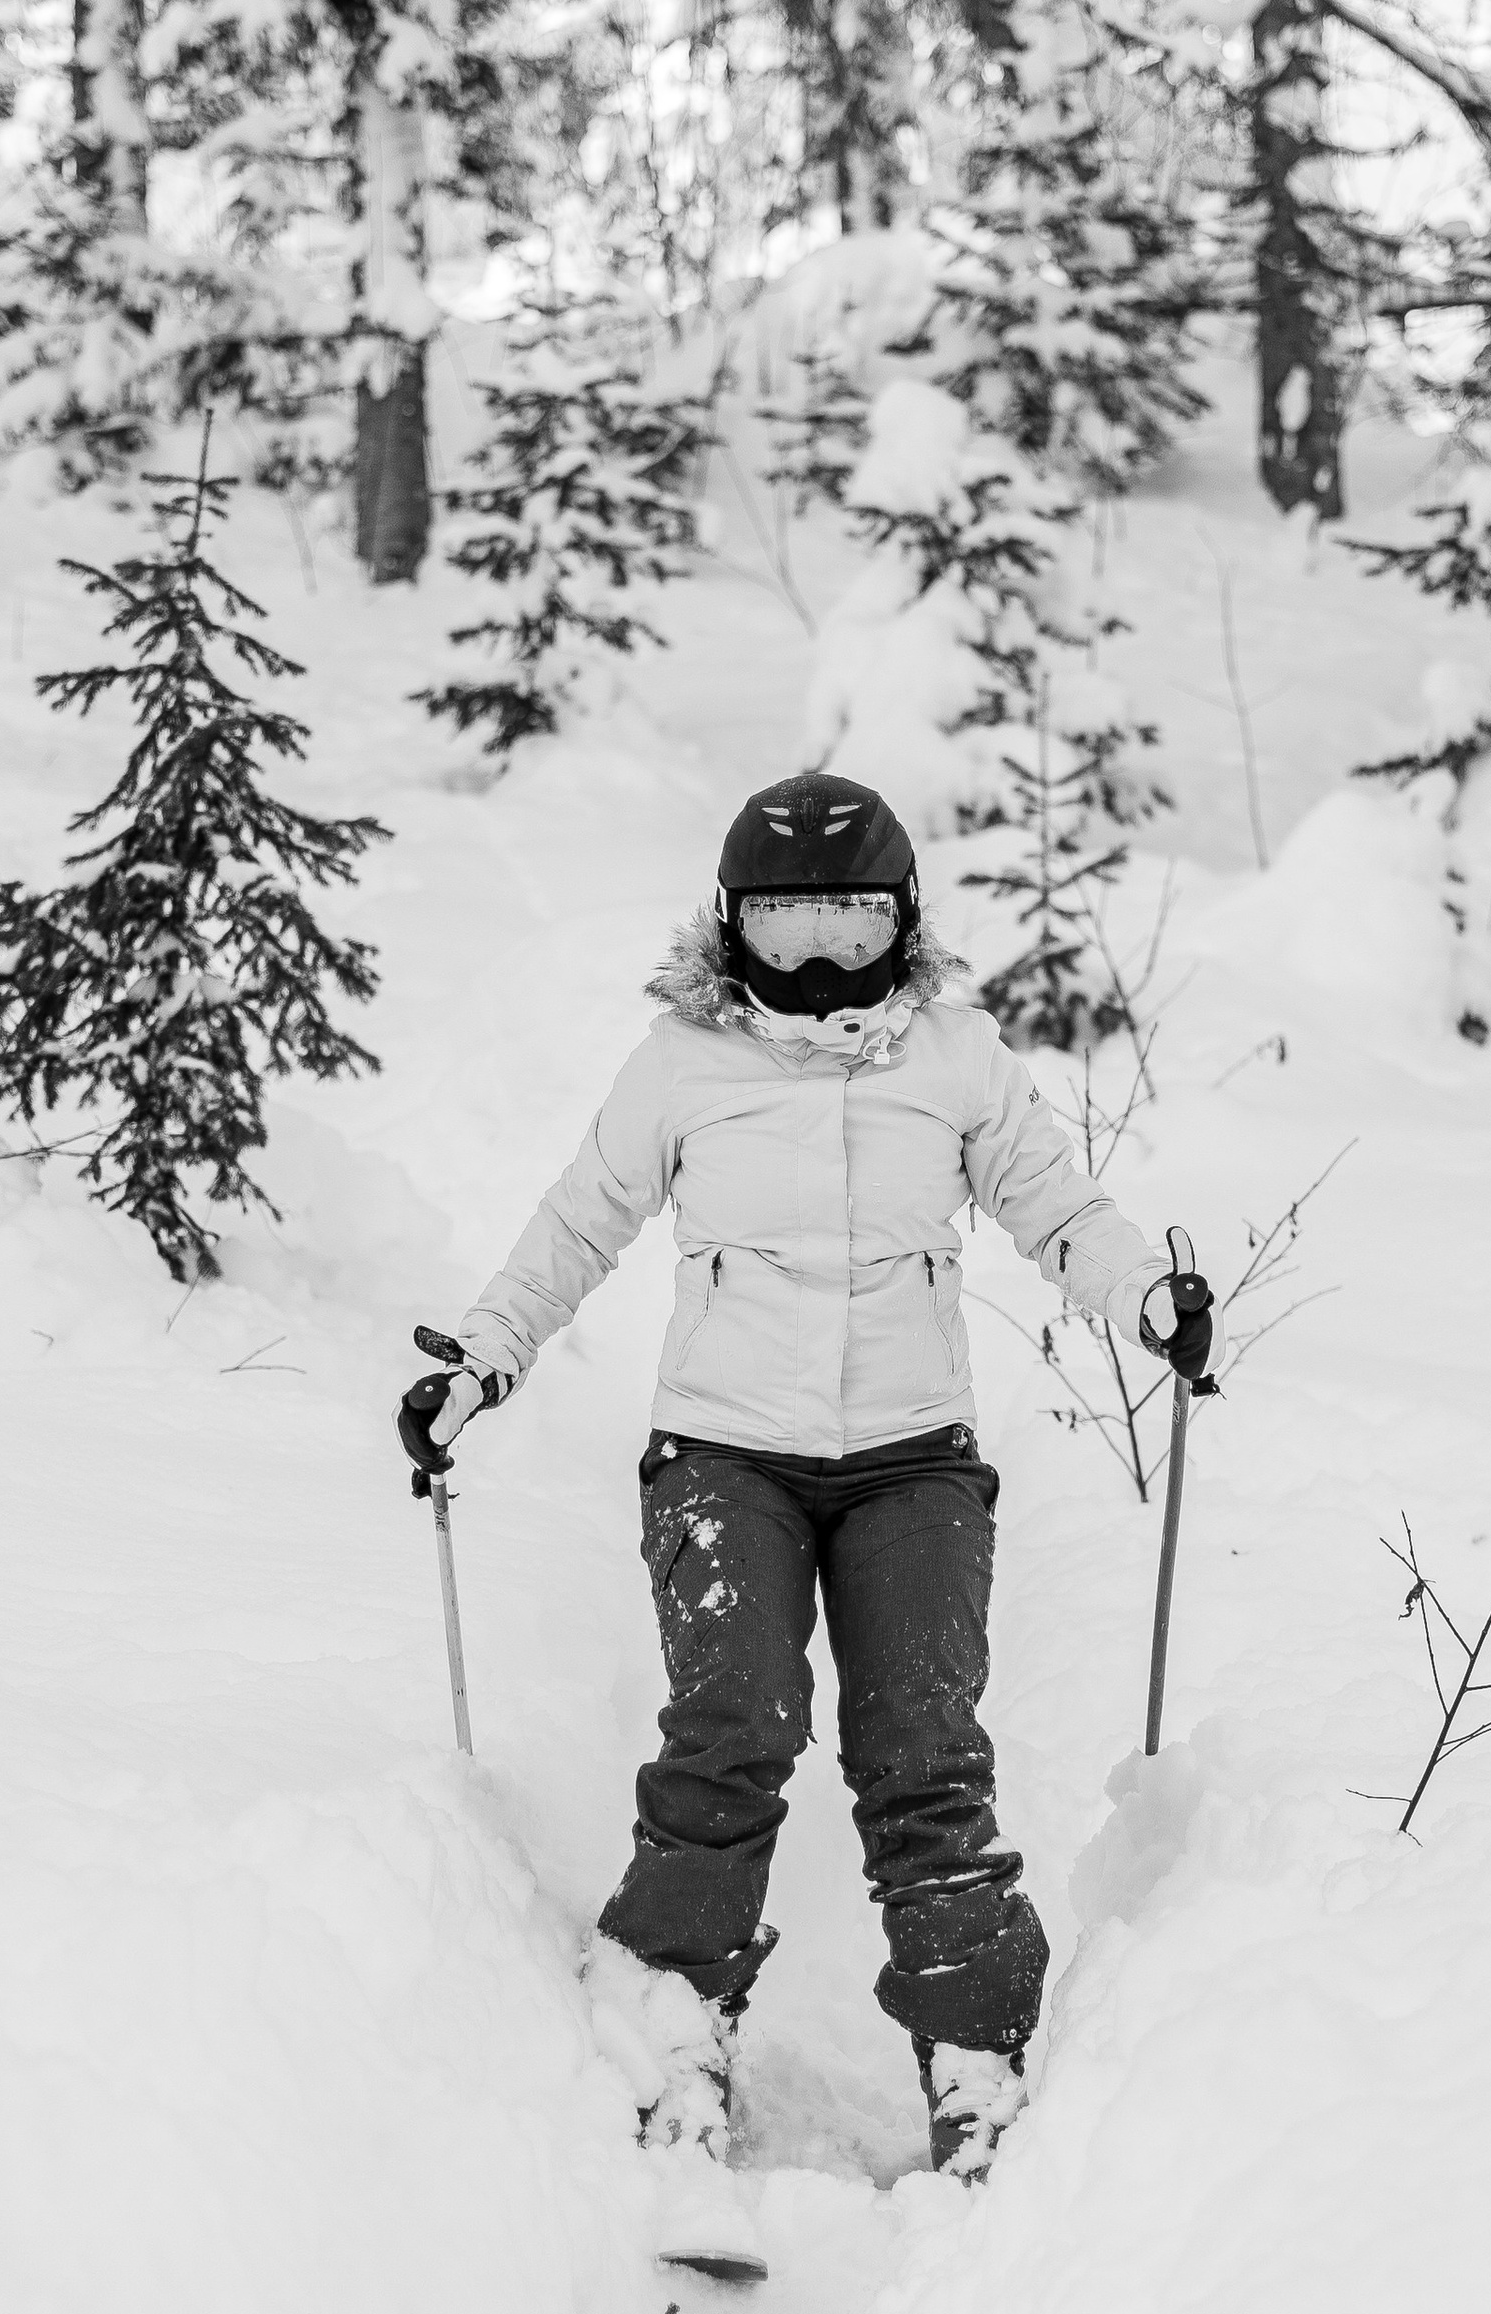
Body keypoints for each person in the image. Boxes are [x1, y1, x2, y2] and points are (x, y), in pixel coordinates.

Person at [398, 770, 1213, 2183]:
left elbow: (1057, 1205)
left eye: (848, 925)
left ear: (899, 921)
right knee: (734, 1725)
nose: (821, 966)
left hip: (912, 1465)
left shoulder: (955, 1059)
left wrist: (1148, 1298)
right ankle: (668, 2044)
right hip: (726, 1457)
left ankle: (981, 2074)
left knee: (926, 1761)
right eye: (786, 931)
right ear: (733, 931)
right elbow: (577, 1224)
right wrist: (478, 1362)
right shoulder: (680, 1064)